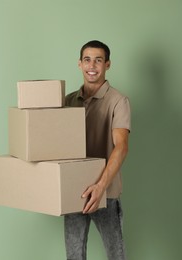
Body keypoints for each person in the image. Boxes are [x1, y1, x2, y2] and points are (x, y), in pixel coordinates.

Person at [64, 40, 131, 260]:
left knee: (116, 256)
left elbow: (121, 147)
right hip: (74, 191)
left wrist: (100, 186)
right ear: (79, 64)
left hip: (106, 193)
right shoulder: (68, 101)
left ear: (108, 64)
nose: (92, 65)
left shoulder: (118, 101)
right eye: (87, 59)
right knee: (74, 256)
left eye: (98, 60)